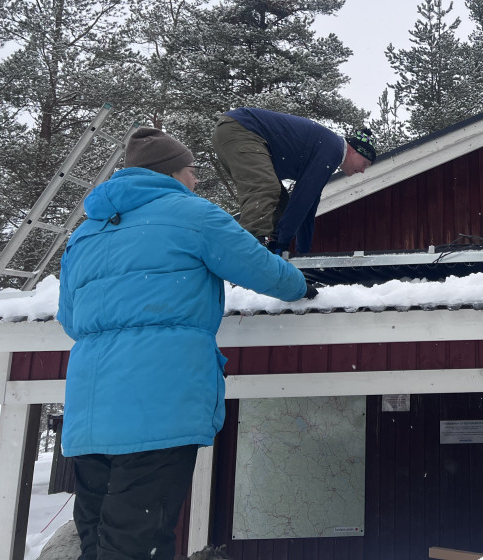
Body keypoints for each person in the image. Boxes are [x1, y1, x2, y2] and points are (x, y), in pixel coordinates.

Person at [58, 127, 316, 560]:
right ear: (172, 173)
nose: (197, 179)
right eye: (193, 170)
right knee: (137, 544)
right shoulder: (191, 214)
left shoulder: (86, 233)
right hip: (156, 407)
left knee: (99, 540)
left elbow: (70, 319)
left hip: (89, 413)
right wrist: (303, 286)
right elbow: (264, 270)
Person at [212, 108, 376, 255]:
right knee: (265, 188)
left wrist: (302, 251)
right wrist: (283, 241)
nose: (362, 170)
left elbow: (309, 206)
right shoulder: (333, 149)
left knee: (280, 205)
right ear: (355, 151)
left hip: (232, 132)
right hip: (242, 129)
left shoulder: (328, 151)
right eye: (365, 164)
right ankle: (249, 251)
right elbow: (303, 198)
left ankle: (269, 248)